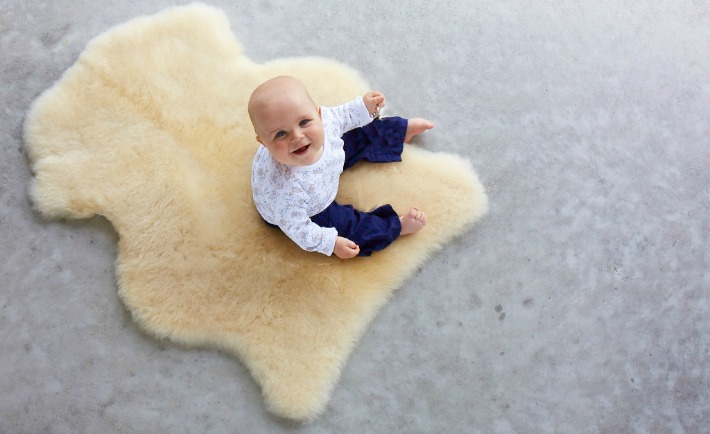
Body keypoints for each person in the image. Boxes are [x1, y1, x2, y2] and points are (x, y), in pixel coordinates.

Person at [249, 76, 433, 259]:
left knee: (359, 134)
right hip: (313, 207)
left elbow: (343, 115)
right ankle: (396, 226)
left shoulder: (325, 122)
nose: (297, 137)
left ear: (318, 114)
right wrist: (331, 242)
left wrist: (363, 107)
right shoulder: (285, 192)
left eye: (304, 122)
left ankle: (399, 132)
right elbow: (300, 231)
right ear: (264, 143)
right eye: (280, 134)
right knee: (351, 229)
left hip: (327, 167)